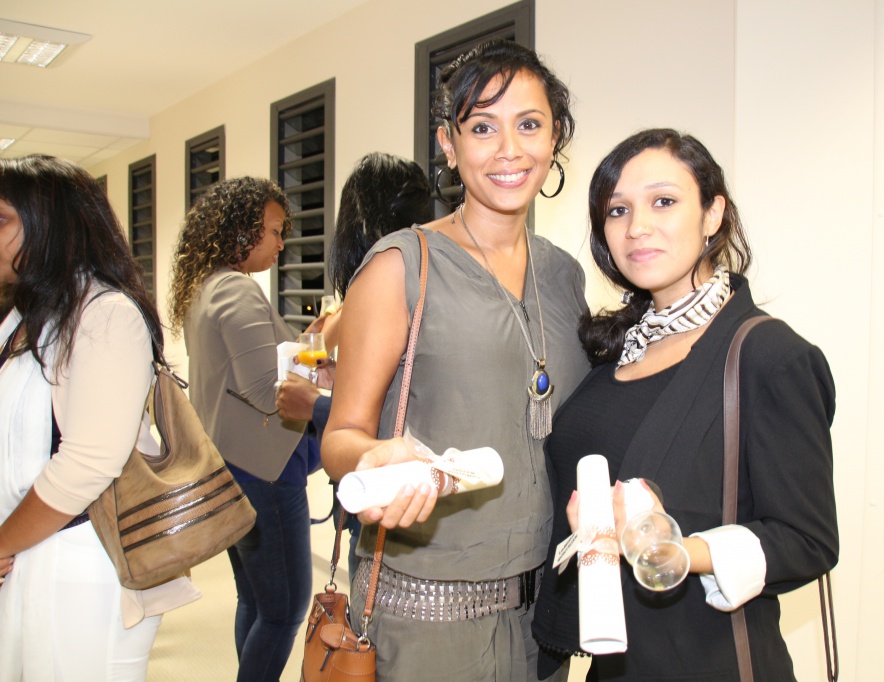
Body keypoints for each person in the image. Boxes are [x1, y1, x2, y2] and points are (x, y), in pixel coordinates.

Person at [320, 40, 591, 681]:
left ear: (555, 138)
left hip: (546, 612)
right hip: (429, 613)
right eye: (482, 127)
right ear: (448, 144)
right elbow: (340, 436)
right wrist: (373, 457)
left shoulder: (565, 276)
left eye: (529, 124)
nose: (509, 150)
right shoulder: (401, 265)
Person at [531, 129, 839, 681]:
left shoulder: (768, 354)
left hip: (709, 660)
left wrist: (666, 546)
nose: (637, 227)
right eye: (618, 210)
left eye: (664, 202)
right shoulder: (617, 349)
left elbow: (807, 540)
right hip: (615, 663)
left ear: (712, 214)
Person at [0, 155, 199, 681]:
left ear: (52, 224)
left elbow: (88, 463)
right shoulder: (28, 316)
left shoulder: (105, 314)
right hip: (28, 546)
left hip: (85, 560)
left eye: (1, 219)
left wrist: (3, 541)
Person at [168, 177, 320, 681]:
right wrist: (327, 375)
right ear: (240, 230)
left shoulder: (208, 286)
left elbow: (256, 368)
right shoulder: (235, 289)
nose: (280, 244)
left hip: (232, 465)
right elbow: (263, 388)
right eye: (274, 232)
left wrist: (309, 346)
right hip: (264, 473)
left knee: (256, 601)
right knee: (284, 610)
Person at [275, 151, 434, 582]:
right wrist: (341, 377)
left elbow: (402, 418)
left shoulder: (393, 288)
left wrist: (317, 405)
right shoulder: (405, 285)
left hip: (396, 503)